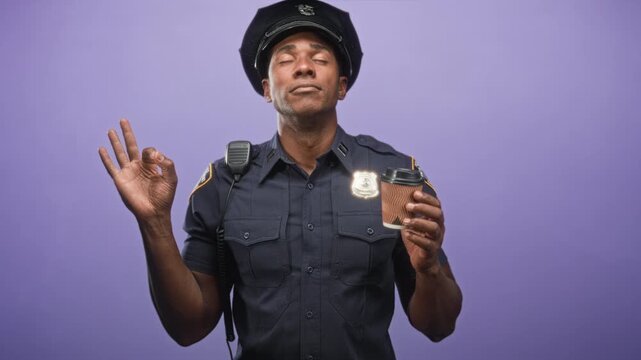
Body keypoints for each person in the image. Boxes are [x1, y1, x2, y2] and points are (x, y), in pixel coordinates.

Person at [98, 1, 462, 359]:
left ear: (342, 86)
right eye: (286, 59)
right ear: (267, 89)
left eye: (320, 58)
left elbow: (439, 326)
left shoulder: (395, 178)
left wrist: (428, 269)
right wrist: (155, 223)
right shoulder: (225, 184)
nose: (304, 67)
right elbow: (188, 328)